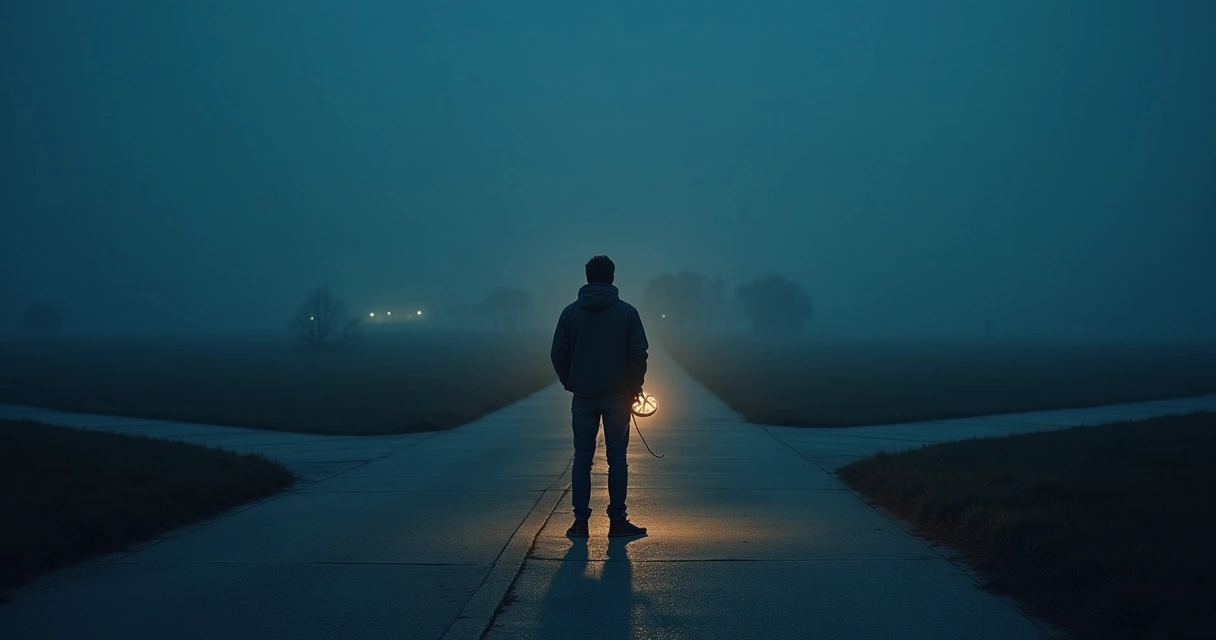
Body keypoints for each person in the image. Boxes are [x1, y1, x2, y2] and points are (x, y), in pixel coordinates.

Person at [551, 255, 649, 538]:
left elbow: (558, 354)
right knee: (617, 459)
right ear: (613, 277)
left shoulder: (570, 313)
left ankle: (580, 523)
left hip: (583, 396)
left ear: (587, 278)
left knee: (582, 459)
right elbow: (638, 354)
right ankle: (617, 522)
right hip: (618, 395)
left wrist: (570, 381)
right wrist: (634, 387)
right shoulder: (627, 313)